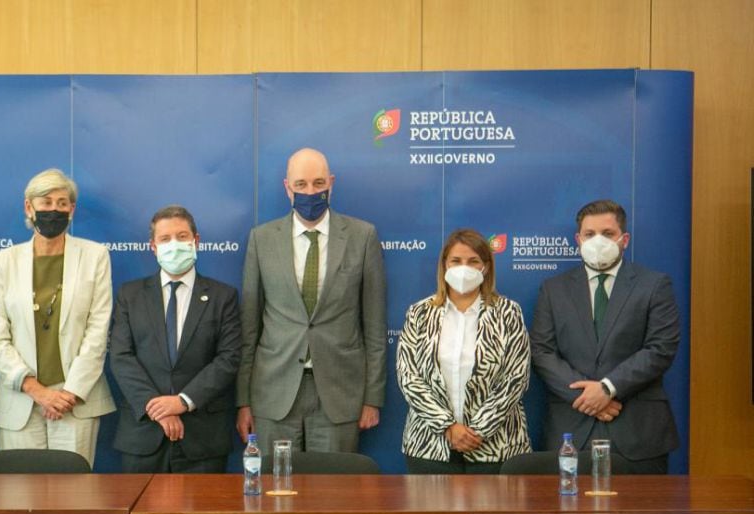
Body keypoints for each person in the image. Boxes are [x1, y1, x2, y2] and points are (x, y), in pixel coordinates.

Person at [236, 147, 387, 454]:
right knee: (274, 493)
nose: (310, 191)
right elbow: (248, 329)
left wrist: (373, 397)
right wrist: (243, 401)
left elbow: (374, 326)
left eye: (318, 183)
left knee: (333, 496)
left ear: (331, 183)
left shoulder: (363, 236)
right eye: (301, 184)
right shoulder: (261, 239)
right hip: (273, 392)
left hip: (339, 391)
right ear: (287, 187)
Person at [531, 199, 680, 474]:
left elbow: (660, 349)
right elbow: (542, 352)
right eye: (589, 234)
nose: (598, 241)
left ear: (624, 239)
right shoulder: (553, 290)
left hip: (638, 434)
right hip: (570, 431)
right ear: (578, 239)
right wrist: (589, 398)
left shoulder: (655, 285)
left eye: (608, 233)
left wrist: (607, 388)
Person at [0, 168, 115, 467]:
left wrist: (68, 394)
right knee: (20, 500)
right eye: (46, 202)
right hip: (21, 400)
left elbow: (97, 331)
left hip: (75, 401)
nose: (53, 209)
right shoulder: (3, 262)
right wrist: (37, 391)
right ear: (29, 207)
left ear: (72, 210)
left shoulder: (95, 256)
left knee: (75, 501)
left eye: (62, 202)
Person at [110, 205, 242, 473]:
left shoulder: (223, 296)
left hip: (203, 438)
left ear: (196, 241)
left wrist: (182, 401)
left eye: (182, 237)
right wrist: (157, 407)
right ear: (153, 247)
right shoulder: (130, 295)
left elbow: (228, 359)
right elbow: (121, 356)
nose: (174, 245)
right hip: (143, 434)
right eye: (165, 239)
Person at [396, 229, 531, 473]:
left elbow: (515, 379)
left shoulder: (508, 312)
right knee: (434, 512)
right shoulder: (419, 313)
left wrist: (477, 430)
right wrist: (448, 427)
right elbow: (409, 378)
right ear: (444, 266)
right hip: (429, 446)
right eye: (456, 261)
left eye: (473, 261)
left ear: (486, 268)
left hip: (496, 446)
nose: (464, 268)